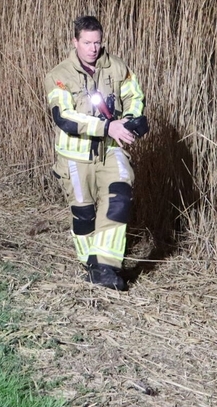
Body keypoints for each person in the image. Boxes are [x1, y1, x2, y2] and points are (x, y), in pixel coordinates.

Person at [43, 15, 146, 291]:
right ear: (75, 42)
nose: (93, 48)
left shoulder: (118, 67)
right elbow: (64, 116)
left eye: (97, 42)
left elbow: (134, 96)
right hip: (75, 156)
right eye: (87, 43)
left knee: (119, 198)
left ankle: (106, 266)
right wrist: (107, 126)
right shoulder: (58, 75)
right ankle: (91, 264)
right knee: (84, 214)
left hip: (111, 149)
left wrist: (130, 121)